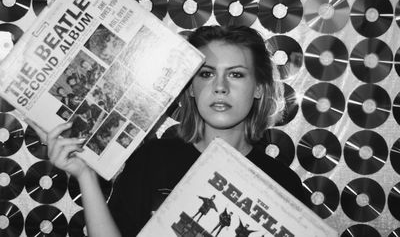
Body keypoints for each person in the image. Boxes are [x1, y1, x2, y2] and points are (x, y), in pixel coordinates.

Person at [28, 25, 306, 237]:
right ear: (192, 89)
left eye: (236, 74)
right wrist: (85, 174)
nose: (220, 86)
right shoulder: (152, 160)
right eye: (206, 74)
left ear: (259, 87)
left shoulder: (283, 184)